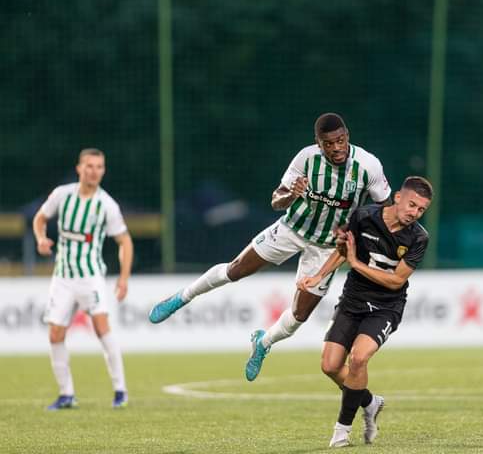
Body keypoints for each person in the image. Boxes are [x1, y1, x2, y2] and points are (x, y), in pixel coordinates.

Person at [148, 113, 392, 382]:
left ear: (348, 136)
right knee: (236, 269)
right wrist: (292, 193)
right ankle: (182, 297)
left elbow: (383, 206)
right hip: (291, 230)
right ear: (318, 143)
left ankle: (263, 343)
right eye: (328, 143)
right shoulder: (306, 159)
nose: (336, 148)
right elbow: (276, 200)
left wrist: (355, 230)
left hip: (326, 246)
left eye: (340, 141)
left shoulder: (368, 165)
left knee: (299, 316)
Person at [297, 176, 433, 447]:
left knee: (358, 359)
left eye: (421, 210)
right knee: (330, 366)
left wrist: (356, 264)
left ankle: (341, 431)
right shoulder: (364, 215)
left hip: (386, 307)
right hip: (353, 300)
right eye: (412, 205)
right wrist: (318, 276)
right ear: (397, 197)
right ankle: (369, 402)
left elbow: (396, 280)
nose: (414, 213)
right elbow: (342, 250)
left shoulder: (418, 237)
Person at [32, 148, 134, 410]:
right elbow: (40, 218)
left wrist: (123, 278)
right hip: (63, 277)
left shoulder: (107, 205)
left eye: (99, 167)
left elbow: (124, 241)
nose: (94, 171)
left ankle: (120, 390)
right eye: (89, 166)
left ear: (103, 170)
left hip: (91, 277)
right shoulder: (62, 195)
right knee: (55, 333)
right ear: (79, 168)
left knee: (102, 328)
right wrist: (41, 238)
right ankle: (66, 394)